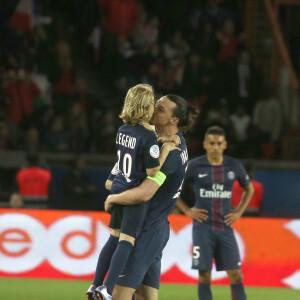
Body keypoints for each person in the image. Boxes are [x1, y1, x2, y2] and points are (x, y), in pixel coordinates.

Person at [87, 85, 179, 300]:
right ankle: (107, 290)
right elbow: (153, 169)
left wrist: (156, 145)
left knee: (113, 238)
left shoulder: (122, 130)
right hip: (133, 194)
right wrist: (165, 149)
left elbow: (133, 155)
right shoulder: (147, 134)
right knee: (126, 241)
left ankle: (95, 284)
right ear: (147, 106)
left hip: (119, 185)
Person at [102, 94, 198, 300]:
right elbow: (113, 178)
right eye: (156, 105)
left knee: (118, 296)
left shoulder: (171, 153)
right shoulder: (154, 142)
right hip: (154, 228)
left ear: (174, 121)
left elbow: (144, 193)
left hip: (145, 231)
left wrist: (113, 199)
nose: (153, 110)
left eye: (161, 109)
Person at [176, 125, 254, 300]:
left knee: (236, 275)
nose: (215, 147)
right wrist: (187, 211)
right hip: (202, 229)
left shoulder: (234, 166)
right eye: (211, 143)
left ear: (225, 145)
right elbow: (173, 188)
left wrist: (239, 212)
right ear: (205, 144)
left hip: (225, 228)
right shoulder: (195, 166)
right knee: (204, 276)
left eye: (219, 143)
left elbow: (249, 189)